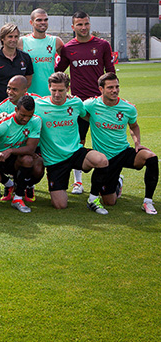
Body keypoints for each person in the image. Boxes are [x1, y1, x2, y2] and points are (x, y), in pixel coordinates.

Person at [55, 11, 115, 195]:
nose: (83, 27)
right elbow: (58, 72)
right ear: (73, 27)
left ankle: (112, 176)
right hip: (79, 104)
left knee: (105, 141)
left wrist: (112, 96)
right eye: (79, 24)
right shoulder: (68, 48)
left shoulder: (102, 45)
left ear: (90, 24)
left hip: (100, 103)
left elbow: (110, 72)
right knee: (77, 141)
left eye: (86, 24)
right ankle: (78, 182)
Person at [84, 72, 158, 214]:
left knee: (151, 158)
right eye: (110, 87)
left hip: (123, 152)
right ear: (101, 89)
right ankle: (118, 183)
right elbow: (78, 110)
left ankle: (148, 201)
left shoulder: (128, 108)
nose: (115, 90)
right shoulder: (91, 104)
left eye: (117, 87)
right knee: (110, 202)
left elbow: (134, 126)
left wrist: (137, 143)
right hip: (105, 159)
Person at [34, 72, 108, 212]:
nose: (57, 94)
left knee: (101, 160)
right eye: (54, 90)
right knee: (60, 205)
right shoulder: (39, 105)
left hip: (75, 152)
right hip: (54, 160)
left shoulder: (75, 102)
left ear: (67, 89)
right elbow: (21, 112)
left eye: (61, 90)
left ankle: (93, 199)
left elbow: (86, 115)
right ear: (49, 87)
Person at [0, 95, 42, 212]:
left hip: (12, 156)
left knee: (31, 161)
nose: (26, 119)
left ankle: (18, 198)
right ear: (16, 110)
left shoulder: (36, 121)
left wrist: (9, 151)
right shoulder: (3, 125)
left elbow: (31, 149)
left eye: (29, 115)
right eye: (23, 115)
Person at [0, 75, 43, 201]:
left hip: (30, 148)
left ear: (25, 90)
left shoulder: (39, 102)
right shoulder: (2, 107)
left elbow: (53, 102)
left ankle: (28, 185)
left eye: (14, 89)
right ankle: (9, 184)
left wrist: (67, 97)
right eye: (8, 88)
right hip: (9, 147)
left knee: (38, 167)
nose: (10, 92)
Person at [0, 23, 33, 122]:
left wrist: (18, 94)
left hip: (19, 105)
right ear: (2, 38)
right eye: (10, 36)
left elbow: (28, 79)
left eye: (16, 36)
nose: (13, 40)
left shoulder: (25, 57)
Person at [19, 8, 63, 96]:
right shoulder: (22, 42)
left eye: (45, 20)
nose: (43, 22)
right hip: (29, 94)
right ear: (31, 22)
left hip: (50, 94)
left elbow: (66, 61)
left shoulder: (56, 41)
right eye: (39, 20)